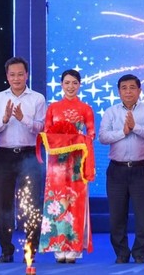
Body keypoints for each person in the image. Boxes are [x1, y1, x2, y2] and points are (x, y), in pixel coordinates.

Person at [0, 56, 46, 263]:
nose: (16, 78)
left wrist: (23, 119)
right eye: (12, 75)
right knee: (4, 206)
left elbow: (42, 128)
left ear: (27, 75)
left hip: (30, 155)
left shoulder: (37, 99)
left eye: (20, 74)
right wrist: (4, 120)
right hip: (4, 156)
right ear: (7, 76)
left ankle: (31, 250)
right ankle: (7, 250)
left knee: (31, 205)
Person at [98, 74, 144, 264]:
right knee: (117, 215)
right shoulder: (111, 112)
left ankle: (140, 253)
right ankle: (121, 253)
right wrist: (123, 132)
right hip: (117, 170)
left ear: (139, 90)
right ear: (118, 91)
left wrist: (136, 127)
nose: (128, 91)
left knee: (143, 216)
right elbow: (103, 137)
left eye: (132, 87)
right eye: (124, 88)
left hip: (141, 169)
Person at [39, 69, 95, 263]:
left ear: (80, 85)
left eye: (74, 83)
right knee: (56, 202)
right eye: (67, 82)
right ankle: (57, 245)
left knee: (75, 203)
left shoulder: (86, 108)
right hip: (56, 165)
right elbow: (46, 132)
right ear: (61, 84)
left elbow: (91, 134)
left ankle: (74, 248)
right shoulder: (53, 108)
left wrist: (75, 139)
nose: (71, 86)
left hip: (77, 164)